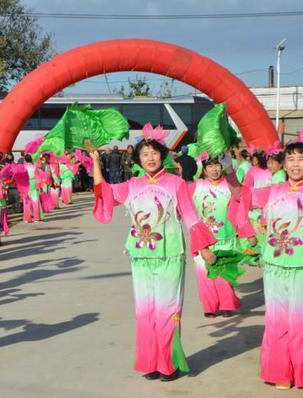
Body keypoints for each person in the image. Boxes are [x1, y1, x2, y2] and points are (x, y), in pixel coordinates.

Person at [91, 133, 217, 381]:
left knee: (167, 309)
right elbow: (103, 193)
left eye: (154, 153)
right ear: (138, 159)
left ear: (163, 156)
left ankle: (168, 363)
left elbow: (191, 216)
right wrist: (96, 162)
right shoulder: (132, 185)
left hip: (169, 254)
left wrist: (204, 247)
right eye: (144, 154)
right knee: (145, 310)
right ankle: (150, 362)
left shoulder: (176, 183)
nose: (150, 158)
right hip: (140, 256)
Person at [246, 140, 303, 390]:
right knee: (276, 320)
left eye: (301, 159)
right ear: (284, 164)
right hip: (275, 265)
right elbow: (240, 197)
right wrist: (230, 173)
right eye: (290, 159)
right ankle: (280, 373)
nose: (295, 164)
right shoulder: (272, 191)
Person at [190, 156, 256, 317]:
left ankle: (227, 305)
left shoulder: (230, 185)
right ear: (204, 169)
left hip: (225, 238)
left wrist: (248, 233)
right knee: (204, 274)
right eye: (210, 166)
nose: (214, 169)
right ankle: (210, 307)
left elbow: (242, 202)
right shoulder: (196, 187)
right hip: (202, 239)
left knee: (223, 274)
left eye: (217, 165)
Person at [22, 155, 42, 223]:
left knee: (26, 202)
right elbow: (38, 177)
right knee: (35, 201)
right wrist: (38, 186)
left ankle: (27, 218)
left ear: (25, 160)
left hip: (25, 184)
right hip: (33, 183)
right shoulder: (34, 167)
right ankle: (36, 218)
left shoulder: (23, 167)